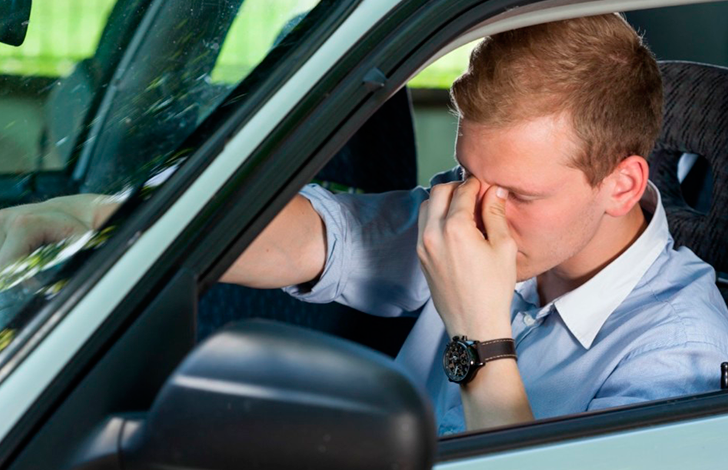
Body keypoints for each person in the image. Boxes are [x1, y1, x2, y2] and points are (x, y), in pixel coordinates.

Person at [1, 14, 727, 435]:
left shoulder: (679, 355)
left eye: (518, 193)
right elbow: (317, 237)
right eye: (469, 173)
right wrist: (86, 218)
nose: (478, 212)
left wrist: (478, 332)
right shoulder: (472, 213)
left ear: (622, 183)